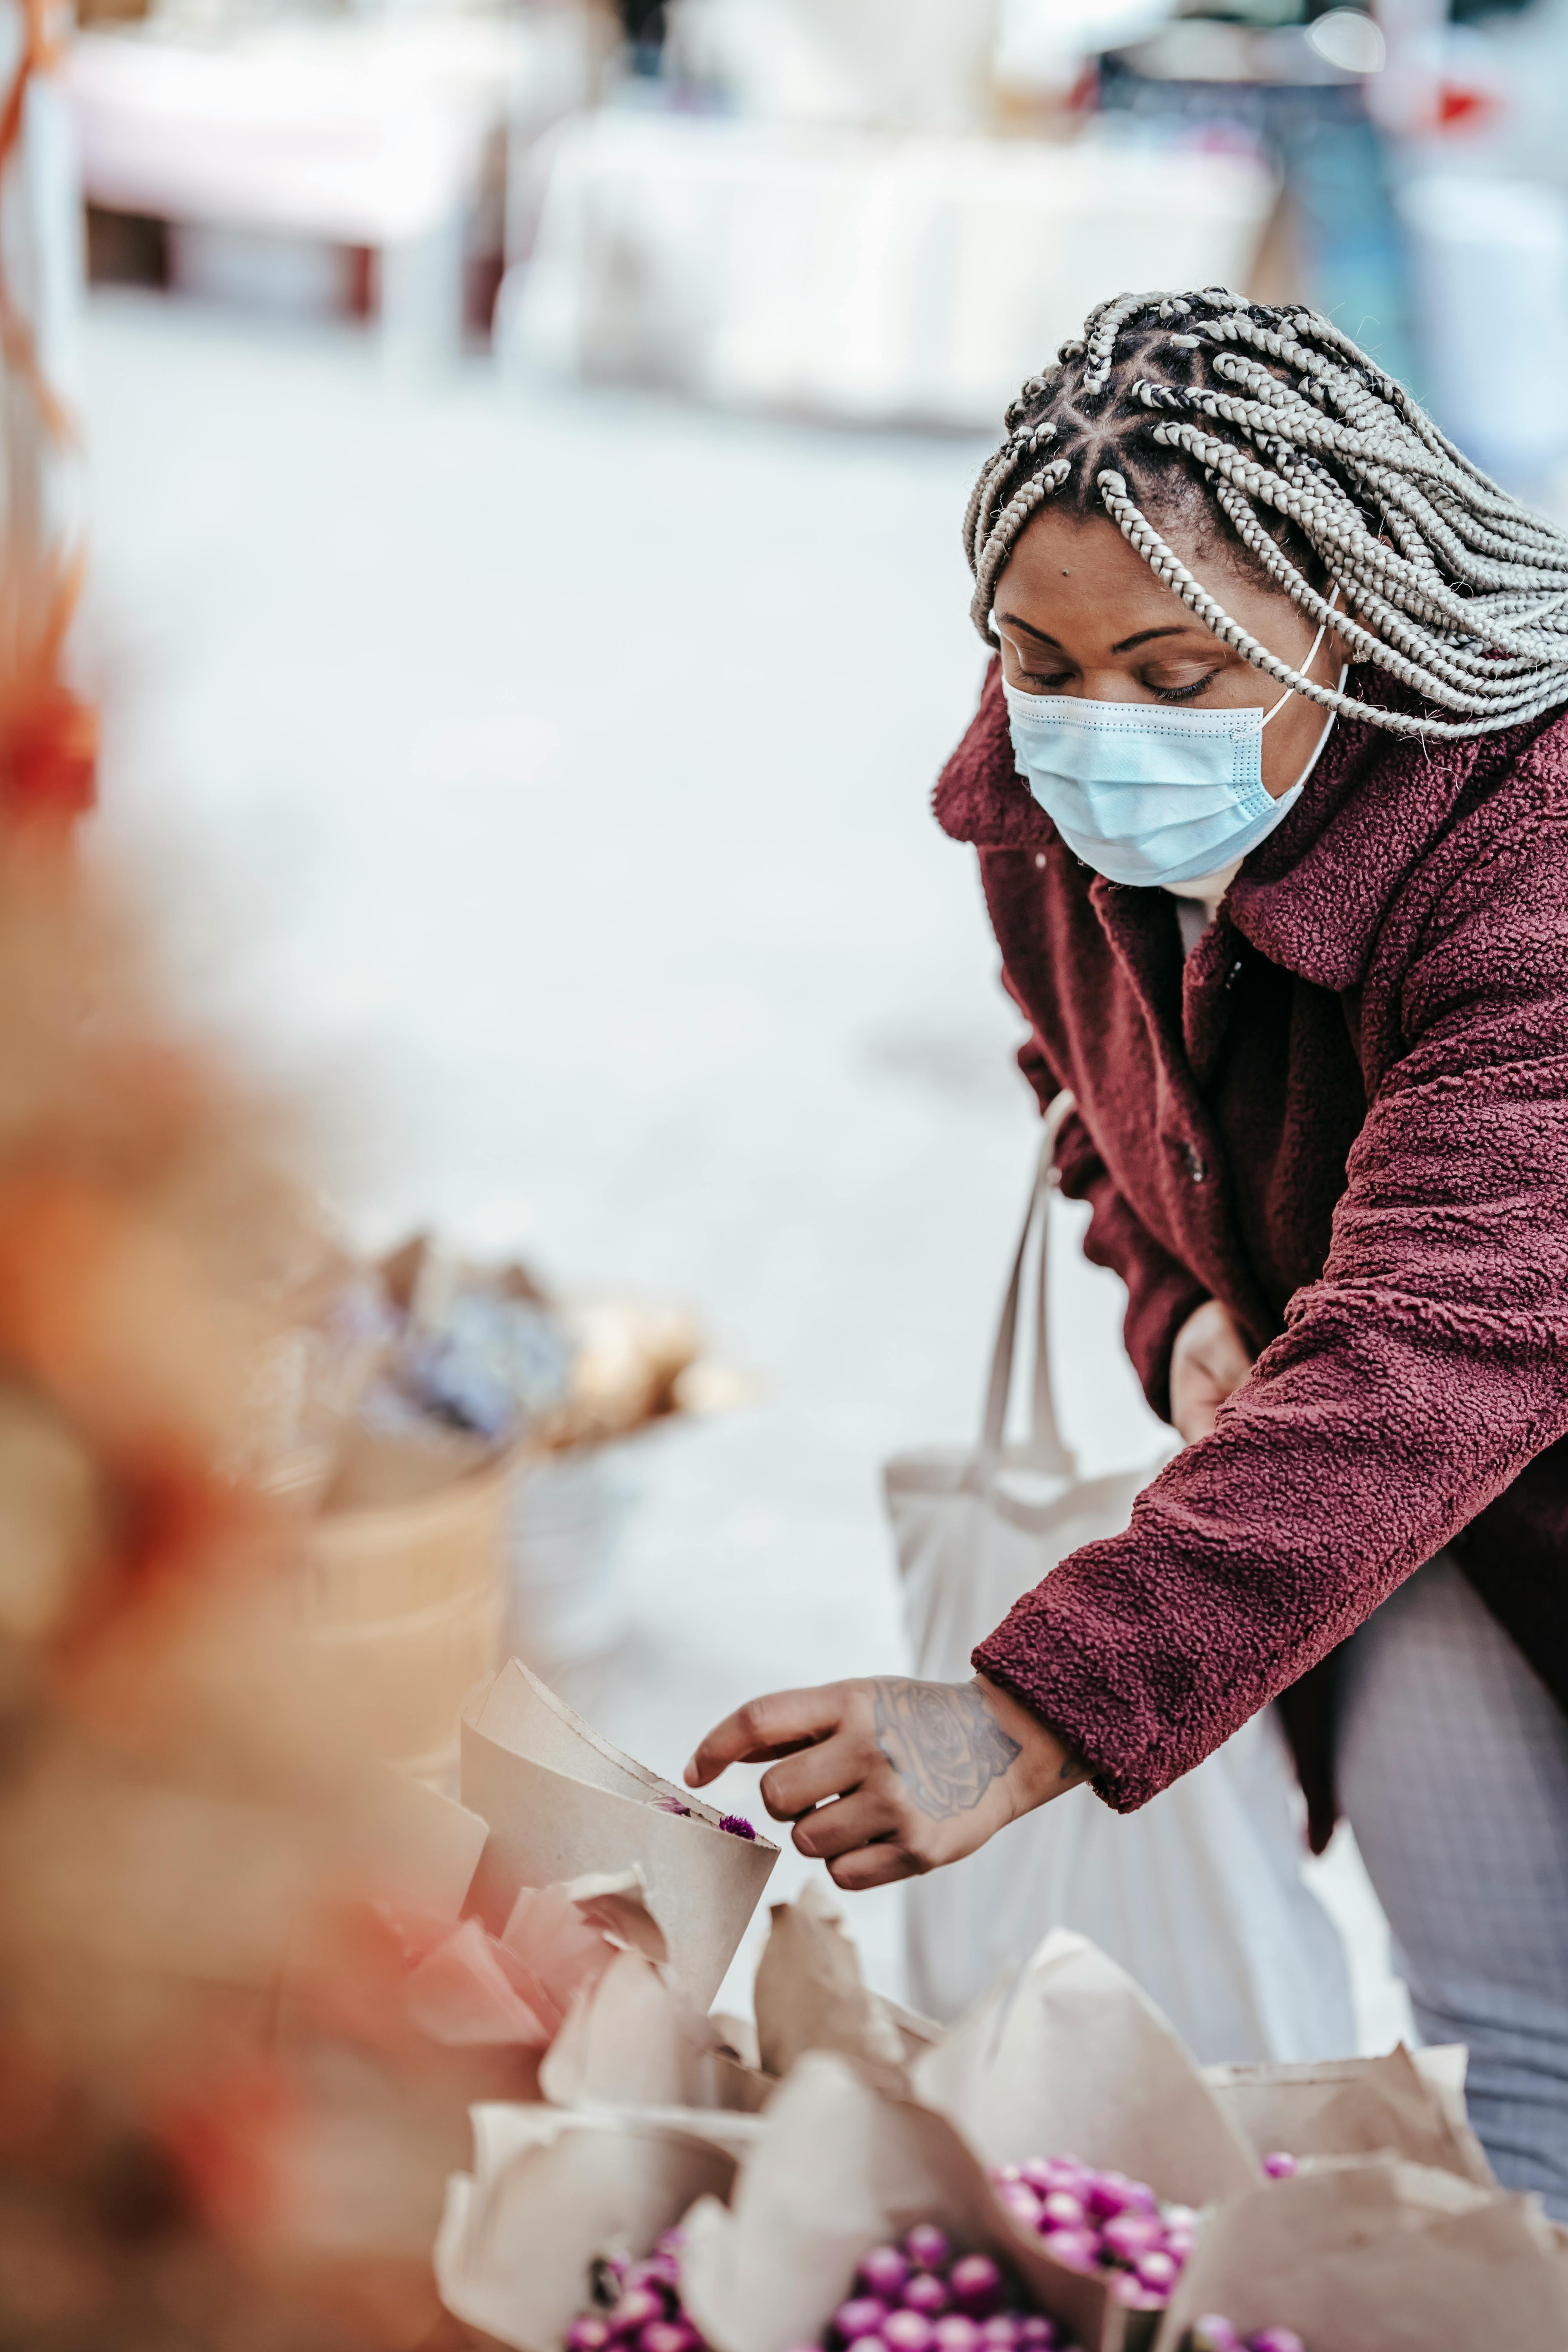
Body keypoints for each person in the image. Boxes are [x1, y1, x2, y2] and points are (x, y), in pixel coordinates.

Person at [686, 288, 1568, 2211]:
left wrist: (1026, 1713)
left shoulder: (1531, 849)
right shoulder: (1049, 786)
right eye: (1037, 657)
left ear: (1344, 613)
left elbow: (1444, 1342)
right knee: (1515, 2047)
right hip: (1388, 1507)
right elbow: (1087, 1089)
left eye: (1175, 675)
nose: (1097, 727)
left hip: (1429, 1432)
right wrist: (1179, 1312)